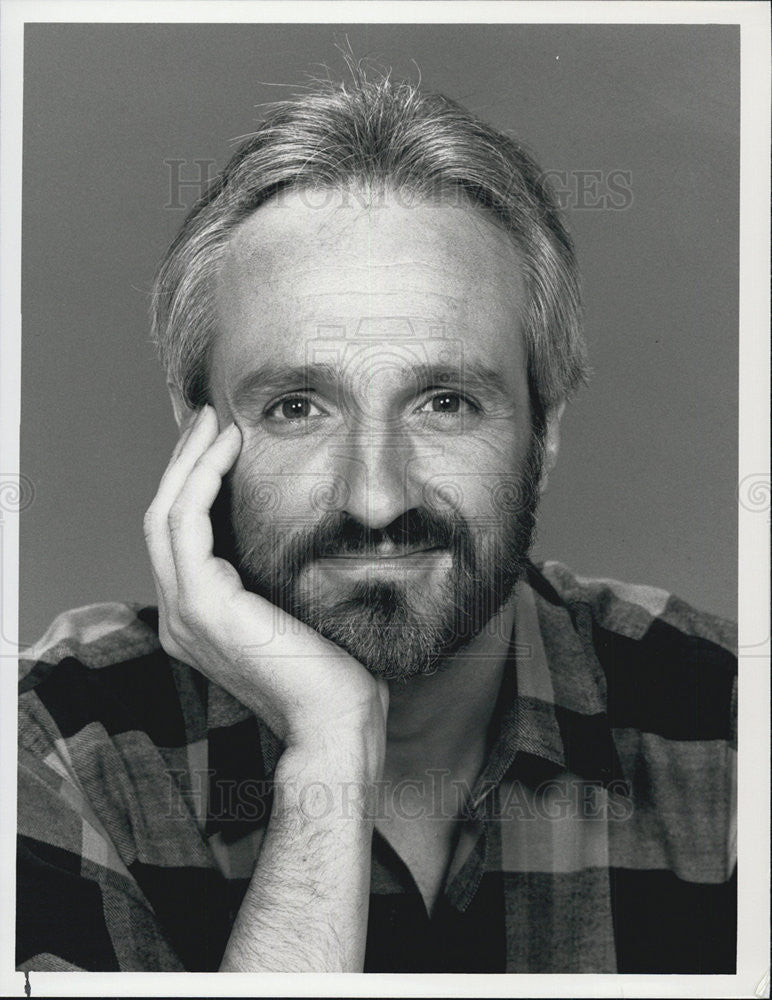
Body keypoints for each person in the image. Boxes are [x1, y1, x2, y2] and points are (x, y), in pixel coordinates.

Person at [17, 67, 737, 974]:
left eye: (444, 402)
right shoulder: (55, 745)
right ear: (196, 434)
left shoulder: (732, 723)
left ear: (544, 429)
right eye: (297, 407)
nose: (376, 500)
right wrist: (330, 747)